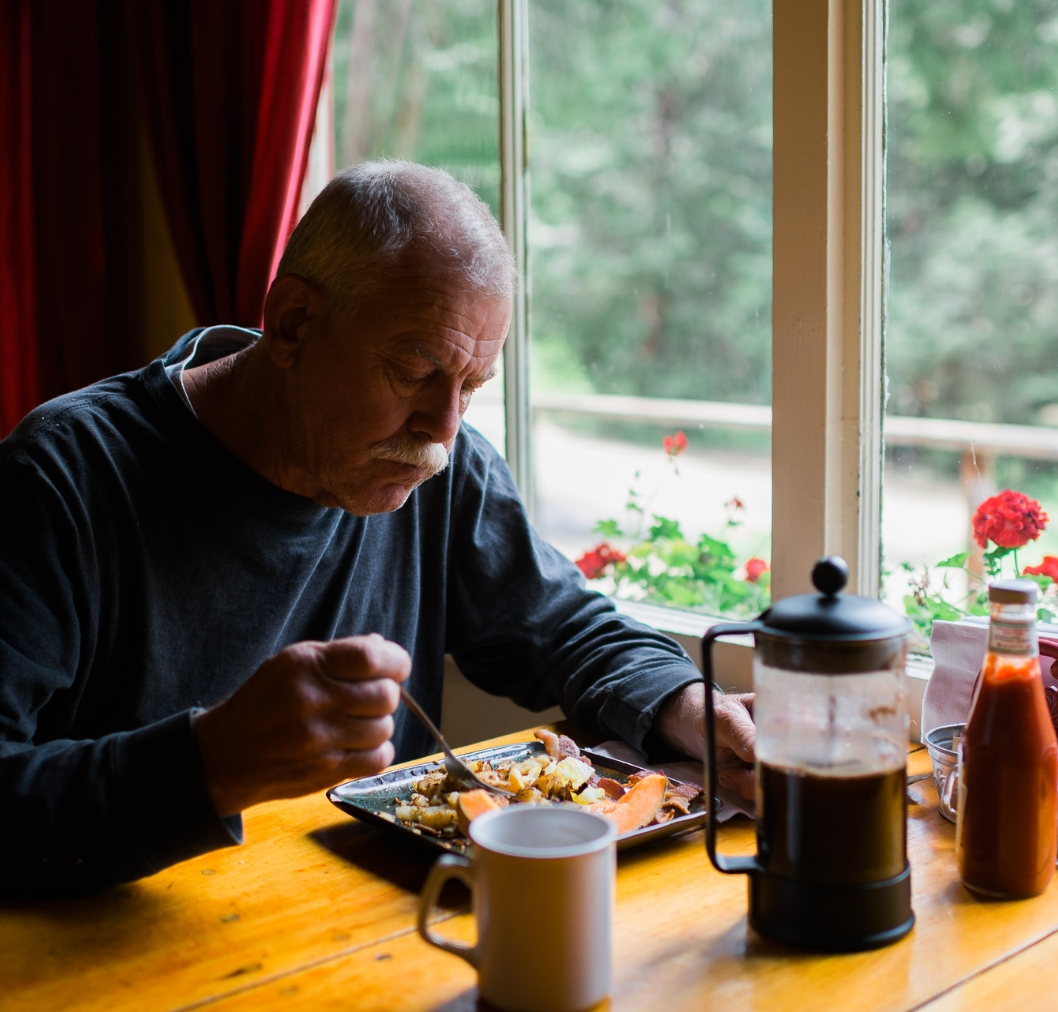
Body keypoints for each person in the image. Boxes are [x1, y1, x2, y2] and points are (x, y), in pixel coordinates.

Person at [0, 161, 755, 897]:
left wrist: (687, 707)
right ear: (292, 323)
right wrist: (209, 764)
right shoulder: (62, 479)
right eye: (415, 371)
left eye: (471, 387)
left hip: (383, 928)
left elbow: (560, 626)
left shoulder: (440, 467)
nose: (443, 429)